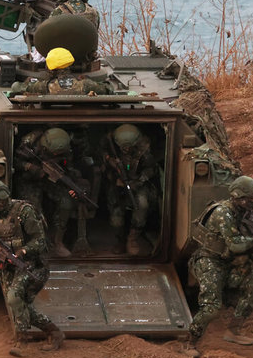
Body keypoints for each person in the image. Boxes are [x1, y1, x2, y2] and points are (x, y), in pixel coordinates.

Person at [0, 179, 64, 357]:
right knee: (17, 305)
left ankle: (22, 340)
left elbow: (41, 241)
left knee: (14, 298)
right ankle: (54, 332)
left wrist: (23, 251)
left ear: (2, 199)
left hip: (31, 265)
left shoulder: (24, 212)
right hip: (5, 267)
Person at [182, 176, 253, 358]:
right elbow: (235, 245)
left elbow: (250, 242)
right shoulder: (223, 213)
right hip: (209, 262)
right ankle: (189, 342)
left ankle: (233, 331)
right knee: (211, 308)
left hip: (230, 263)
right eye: (250, 198)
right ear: (237, 196)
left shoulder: (242, 214)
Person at [14, 126, 90, 257]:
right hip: (29, 179)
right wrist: (31, 167)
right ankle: (36, 243)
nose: (56, 155)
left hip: (51, 179)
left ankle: (57, 242)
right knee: (33, 209)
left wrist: (72, 180)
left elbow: (68, 167)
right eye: (53, 153)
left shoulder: (65, 145)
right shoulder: (29, 143)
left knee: (66, 203)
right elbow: (14, 161)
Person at [100, 124, 158, 256]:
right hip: (116, 184)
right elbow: (102, 168)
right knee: (116, 214)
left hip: (137, 183)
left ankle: (133, 238)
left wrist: (139, 182)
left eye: (129, 147)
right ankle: (120, 239)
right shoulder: (110, 147)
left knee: (142, 204)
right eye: (123, 147)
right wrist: (114, 175)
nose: (126, 149)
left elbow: (151, 169)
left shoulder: (144, 151)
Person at [10, 47, 113, 97]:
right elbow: (109, 89)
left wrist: (29, 82)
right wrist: (90, 80)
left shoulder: (44, 86)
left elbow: (15, 87)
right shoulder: (86, 85)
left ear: (50, 69)